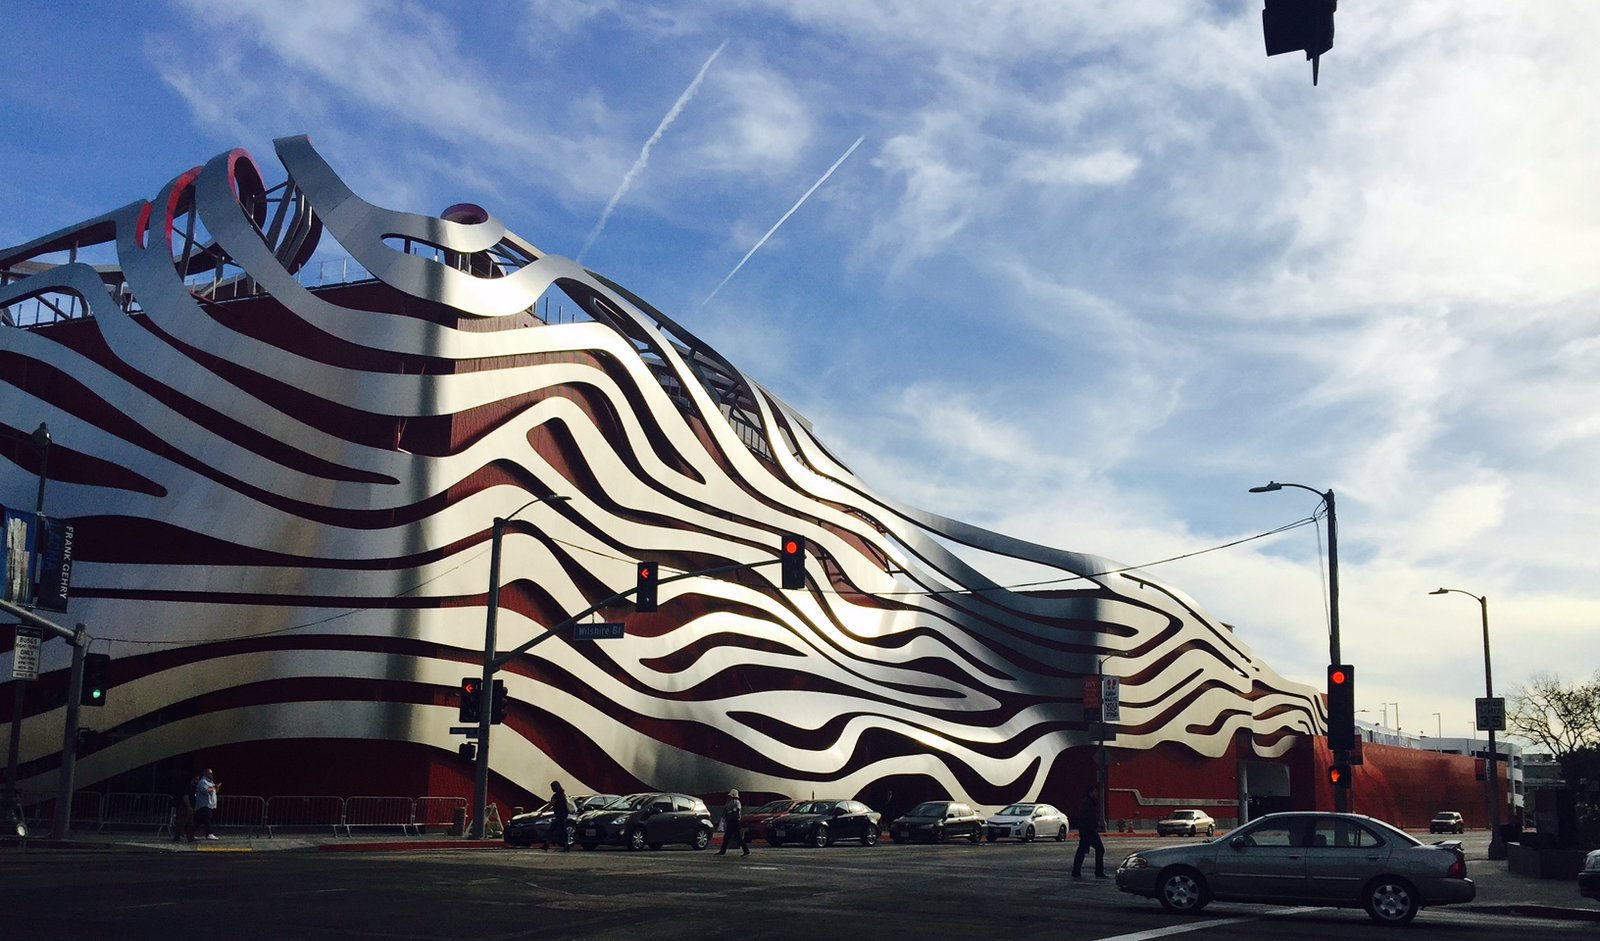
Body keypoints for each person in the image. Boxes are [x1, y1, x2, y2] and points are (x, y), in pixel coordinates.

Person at [1071, 783, 1106, 879]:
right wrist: (1094, 826)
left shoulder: (1088, 802)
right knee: (1099, 849)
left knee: (1082, 850)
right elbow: (1087, 818)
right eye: (1095, 791)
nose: (1097, 794)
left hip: (1086, 831)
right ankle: (1098, 872)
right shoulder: (1088, 803)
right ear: (1090, 792)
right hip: (1089, 831)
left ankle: (1076, 871)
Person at [717, 788, 749, 857]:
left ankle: (746, 851)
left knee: (735, 837)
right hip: (732, 821)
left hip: (734, 822)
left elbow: (735, 812)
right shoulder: (730, 802)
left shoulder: (736, 802)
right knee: (732, 837)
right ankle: (746, 851)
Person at [542, 781, 571, 852]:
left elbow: (550, 805)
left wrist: (542, 811)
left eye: (552, 787)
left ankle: (548, 843)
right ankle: (563, 845)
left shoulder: (556, 796)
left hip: (559, 815)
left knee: (554, 829)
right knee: (560, 830)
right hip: (564, 814)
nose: (552, 789)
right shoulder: (563, 794)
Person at [194, 769, 219, 841]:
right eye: (210, 773)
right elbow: (205, 790)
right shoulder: (203, 782)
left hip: (210, 804)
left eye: (212, 773)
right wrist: (214, 787)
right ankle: (209, 834)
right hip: (204, 804)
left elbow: (214, 791)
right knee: (206, 819)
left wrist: (216, 788)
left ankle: (189, 832)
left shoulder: (210, 782)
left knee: (201, 820)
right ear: (205, 774)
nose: (212, 775)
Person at [172, 775, 197, 843]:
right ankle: (177, 837)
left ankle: (190, 837)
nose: (197, 781)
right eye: (195, 779)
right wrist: (189, 806)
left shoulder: (192, 787)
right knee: (182, 822)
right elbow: (186, 797)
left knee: (190, 823)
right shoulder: (187, 787)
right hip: (185, 807)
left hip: (189, 807)